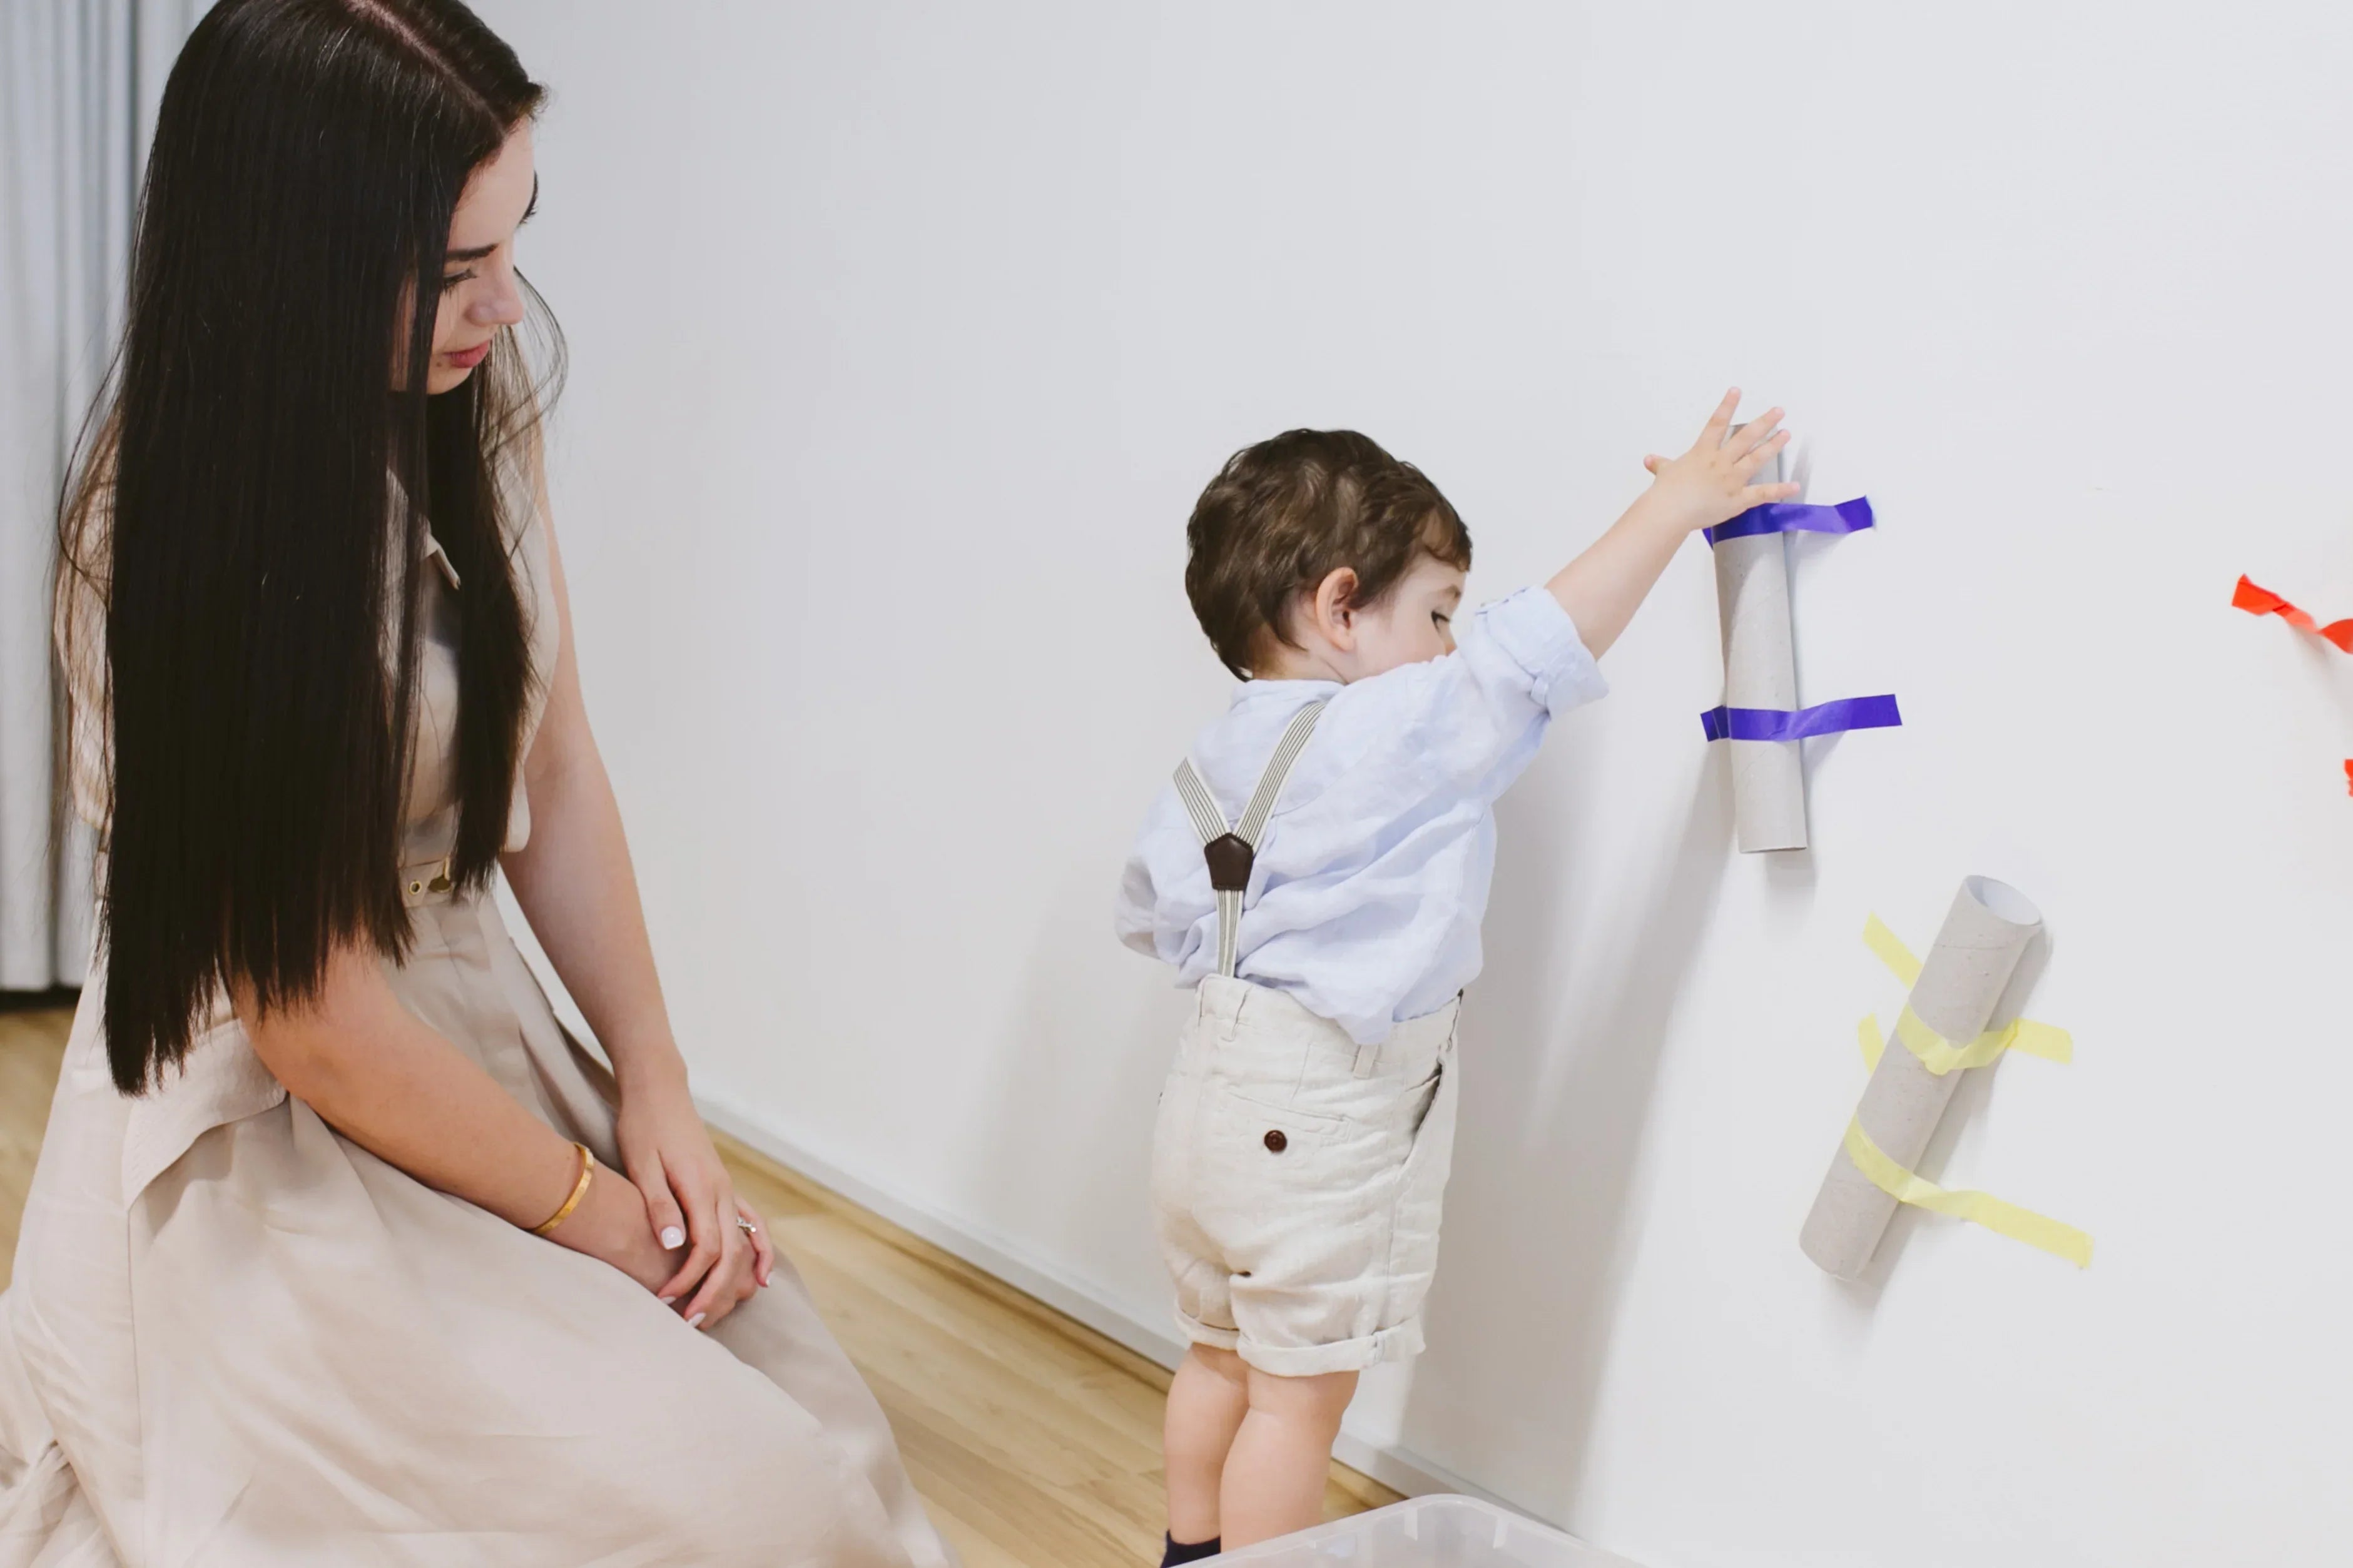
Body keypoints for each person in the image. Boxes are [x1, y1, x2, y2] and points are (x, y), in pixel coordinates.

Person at [0, 3, 952, 1563]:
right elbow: (312, 1018)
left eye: (515, 243)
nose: (504, 307)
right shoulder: (164, 537)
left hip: (471, 1023)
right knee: (725, 1502)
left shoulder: (469, 407)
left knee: (812, 1436)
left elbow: (558, 775)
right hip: (277, 1101)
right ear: (290, 254)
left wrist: (658, 1086)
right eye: (453, 270)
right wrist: (596, 1218)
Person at [1116, 393, 1797, 1558]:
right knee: (1296, 1401)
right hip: (1318, 1123)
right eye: (1434, 613)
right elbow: (1536, 647)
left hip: (1205, 1113)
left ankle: (1189, 1553)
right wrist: (1673, 505)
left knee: (1219, 1360)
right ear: (1339, 608)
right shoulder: (1383, 730)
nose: (1445, 644)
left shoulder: (1217, 755)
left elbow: (1150, 912)